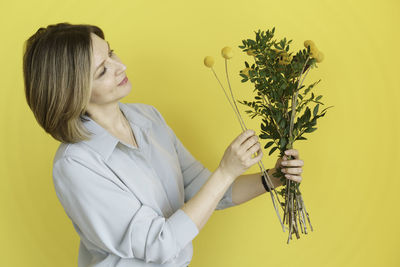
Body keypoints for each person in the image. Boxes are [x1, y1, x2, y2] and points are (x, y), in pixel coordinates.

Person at [22, 22, 304, 267]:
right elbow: (159, 244)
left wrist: (273, 178)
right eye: (102, 71)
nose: (121, 66)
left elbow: (203, 190)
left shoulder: (147, 117)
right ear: (72, 93)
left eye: (111, 52)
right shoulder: (75, 165)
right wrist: (226, 171)